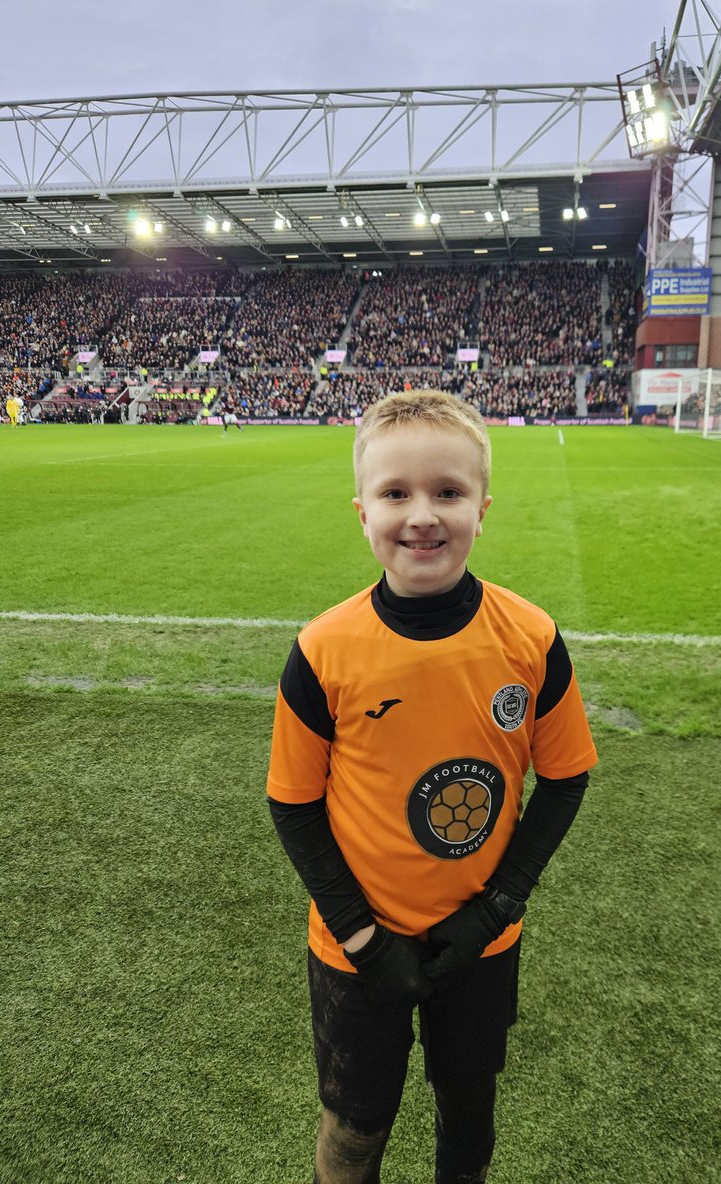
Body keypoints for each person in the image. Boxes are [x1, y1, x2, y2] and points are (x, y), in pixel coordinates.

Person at [266, 390, 598, 1184]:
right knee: (355, 1123)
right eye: (396, 493)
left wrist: (497, 907)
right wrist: (360, 935)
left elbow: (565, 779)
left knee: (469, 1106)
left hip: (482, 940)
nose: (423, 515)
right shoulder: (324, 649)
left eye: (447, 492)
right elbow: (293, 801)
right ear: (362, 511)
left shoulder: (531, 639)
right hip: (356, 949)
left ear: (482, 508)